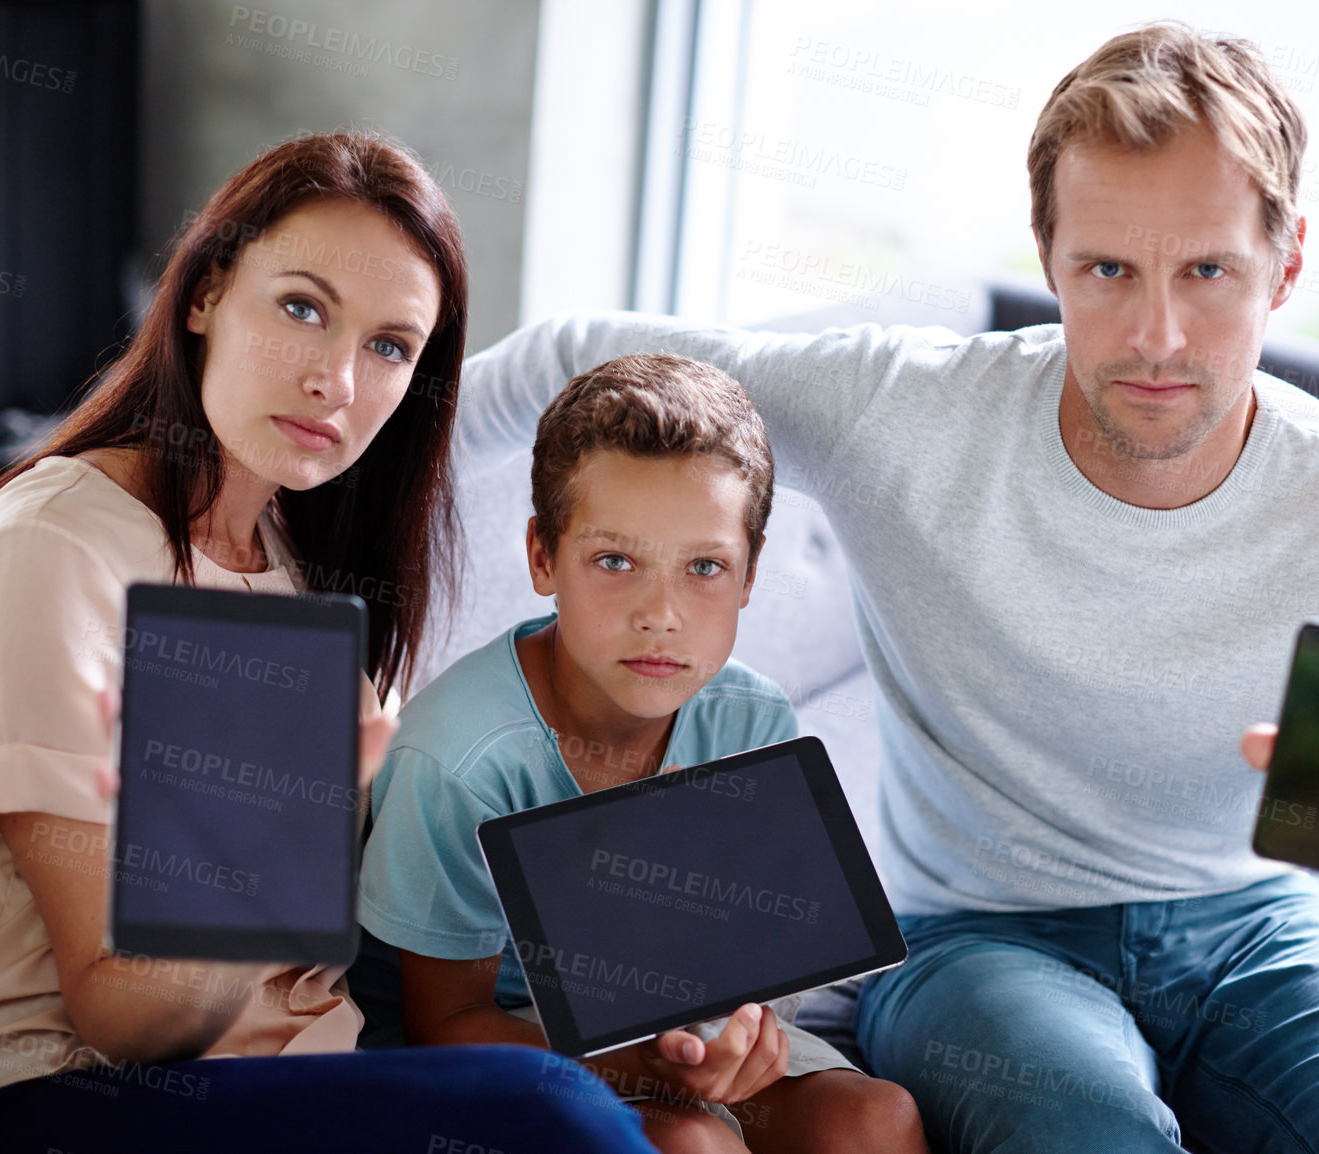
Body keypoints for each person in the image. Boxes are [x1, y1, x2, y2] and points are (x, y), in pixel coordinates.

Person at [444, 25, 1319, 1154]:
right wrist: (319, 514)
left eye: (1206, 270)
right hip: (981, 935)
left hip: (1256, 930)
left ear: (1287, 264)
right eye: (1107, 269)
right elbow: (567, 355)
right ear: (1049, 255)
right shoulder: (910, 419)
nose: (1156, 335)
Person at [0, 132, 653, 1154]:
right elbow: (122, 1018)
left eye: (389, 347)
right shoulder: (57, 545)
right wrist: (263, 831)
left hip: (279, 1089)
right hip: (14, 1103)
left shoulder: (294, 566)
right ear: (207, 295)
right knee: (542, 1111)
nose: (335, 380)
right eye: (302, 307)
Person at [355, 354, 927, 1153]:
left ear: (751, 573)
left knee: (877, 1120)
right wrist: (641, 1068)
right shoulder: (459, 757)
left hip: (677, 1028)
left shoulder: (753, 722)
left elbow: (764, 963)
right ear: (543, 557)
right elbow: (443, 1022)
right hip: (507, 1049)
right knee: (694, 1143)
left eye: (704, 568)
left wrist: (740, 1038)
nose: (661, 615)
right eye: (615, 562)